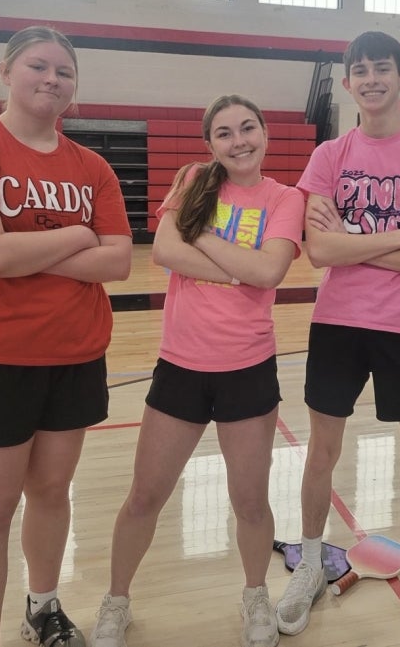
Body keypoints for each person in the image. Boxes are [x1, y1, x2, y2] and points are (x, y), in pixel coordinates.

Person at [0, 26, 133, 647]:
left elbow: (120, 261)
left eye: (64, 72)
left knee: (51, 491)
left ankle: (41, 608)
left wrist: (28, 251)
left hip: (75, 353)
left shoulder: (92, 166)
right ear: (6, 72)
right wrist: (78, 237)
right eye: (38, 66)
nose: (52, 79)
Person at [275, 31, 400, 647]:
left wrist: (361, 244)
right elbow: (319, 250)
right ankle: (309, 566)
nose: (370, 79)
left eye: (381, 69)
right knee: (321, 454)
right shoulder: (330, 156)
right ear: (347, 82)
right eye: (359, 71)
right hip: (337, 323)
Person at [89, 94, 305, 647]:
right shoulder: (192, 180)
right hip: (181, 366)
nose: (239, 141)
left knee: (251, 502)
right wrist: (240, 269)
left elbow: (271, 268)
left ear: (265, 133)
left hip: (248, 368)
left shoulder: (285, 198)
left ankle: (256, 597)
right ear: (210, 144)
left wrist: (203, 237)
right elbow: (163, 249)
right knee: (144, 496)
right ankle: (117, 601)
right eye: (226, 133)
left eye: (248, 128)